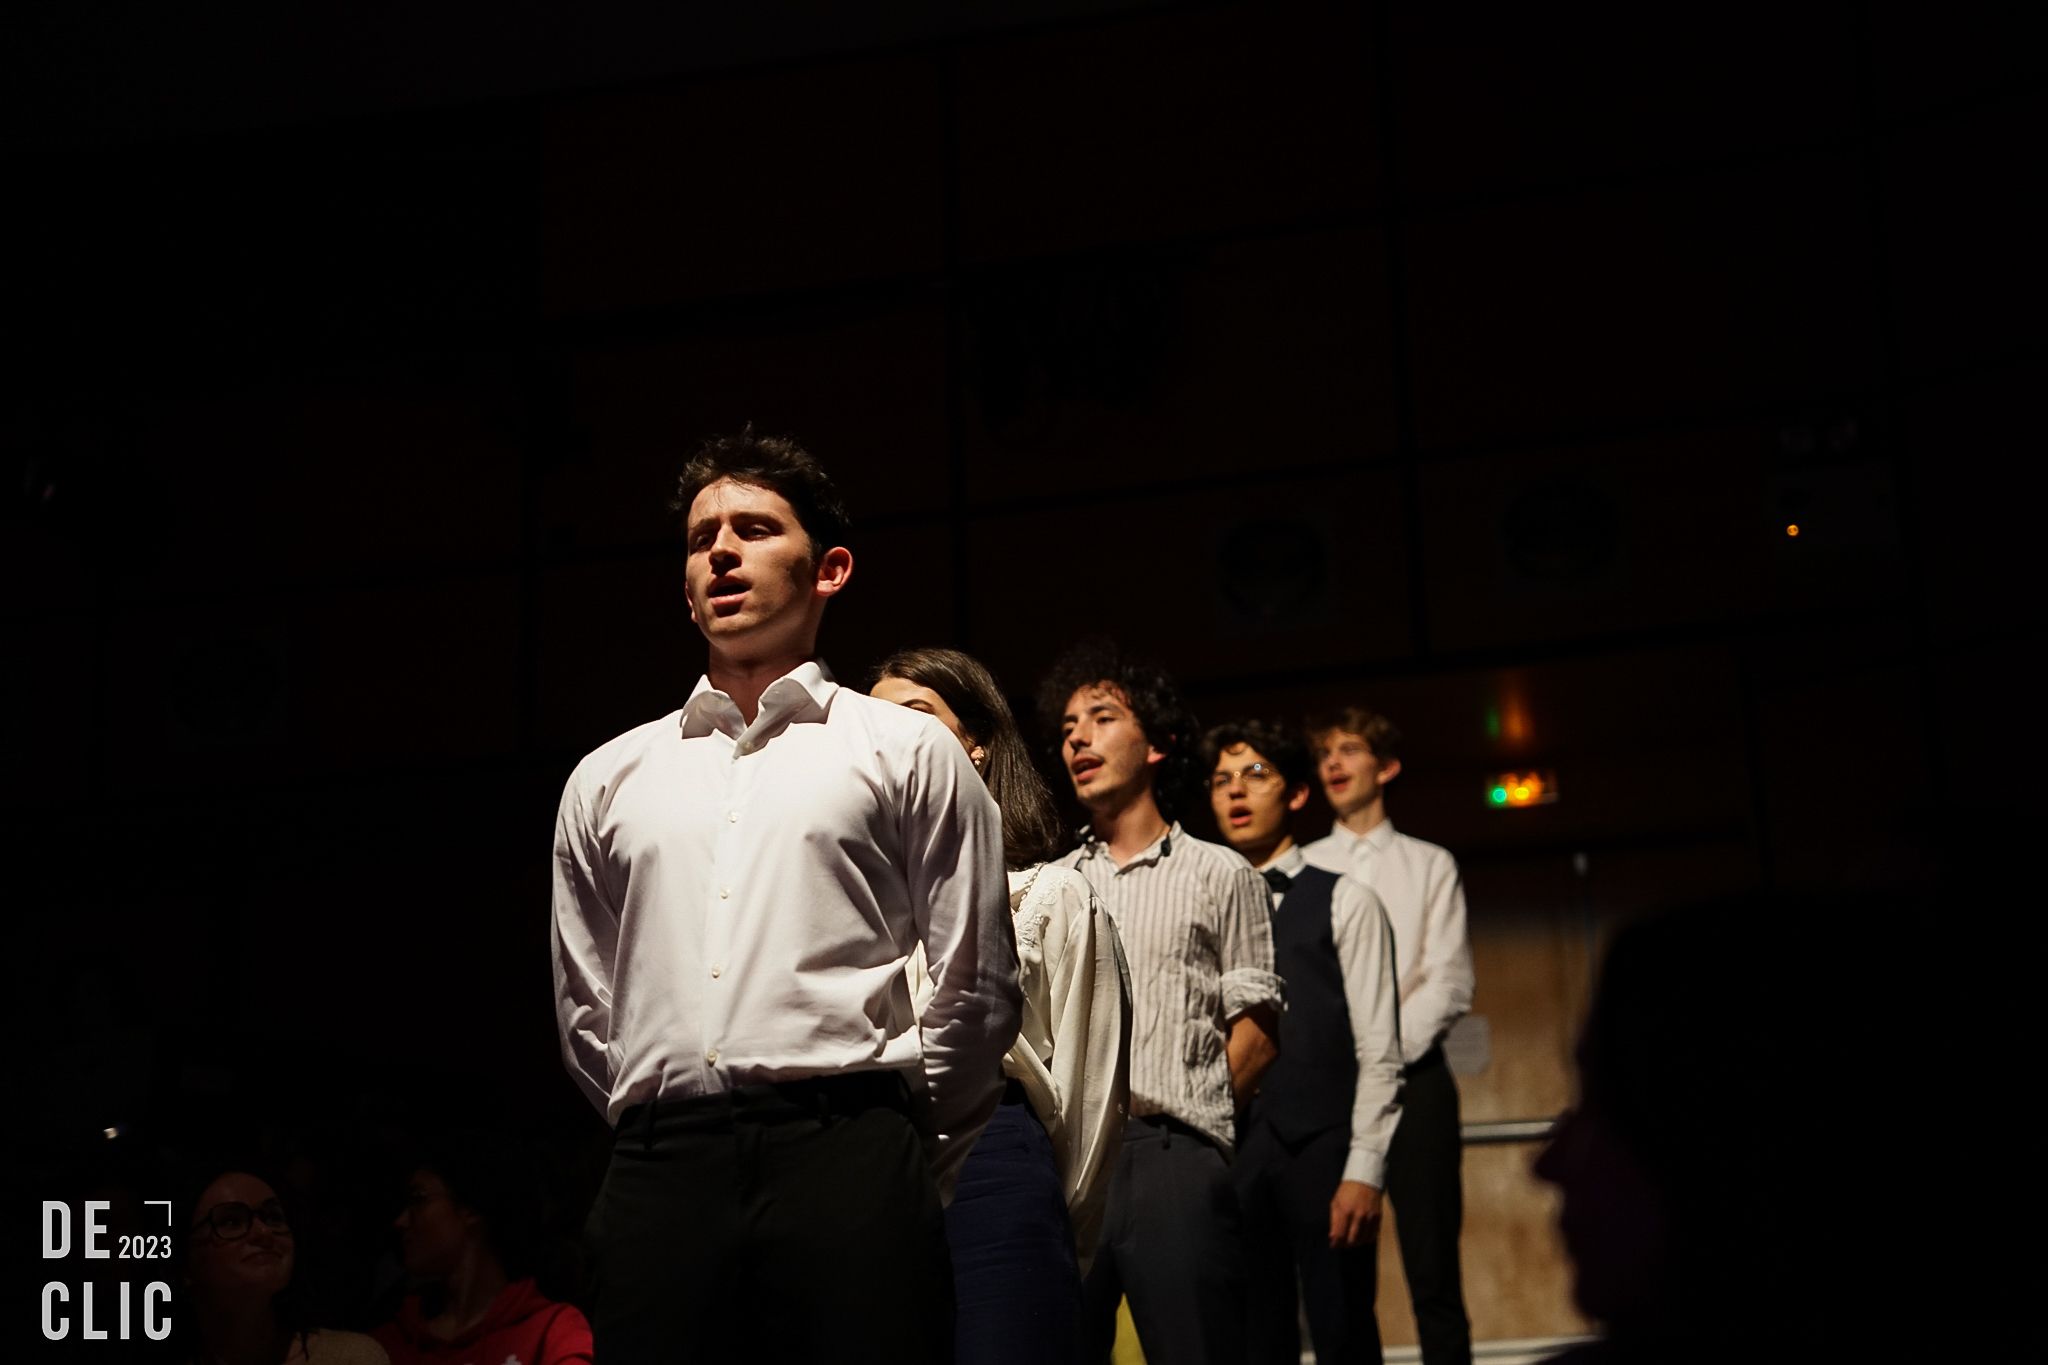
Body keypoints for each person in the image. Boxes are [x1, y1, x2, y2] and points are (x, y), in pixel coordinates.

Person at [551, 428, 1022, 1363]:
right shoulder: (607, 776)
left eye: (755, 528)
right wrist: (668, 1117)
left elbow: (975, 984)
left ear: (829, 569)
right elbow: (586, 1005)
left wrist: (887, 1138)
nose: (721, 551)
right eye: (702, 538)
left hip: (848, 1149)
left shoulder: (905, 749)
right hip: (660, 1167)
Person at [871, 646, 1132, 1365]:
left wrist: (1051, 1223)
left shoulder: (1049, 894)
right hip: (871, 1164)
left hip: (998, 1168)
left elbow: (1089, 1097)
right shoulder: (843, 905)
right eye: (873, 723)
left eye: (915, 714)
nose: (889, 737)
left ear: (977, 742)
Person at [1036, 641, 1284, 1365]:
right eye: (1068, 727)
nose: (1077, 738)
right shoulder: (1052, 882)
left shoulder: (1221, 873)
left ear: (1157, 744)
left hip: (1172, 1150)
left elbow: (1257, 1033)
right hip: (1068, 1161)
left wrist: (1191, 1127)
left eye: (1101, 717)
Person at [1204, 719, 1404, 1365]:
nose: (1236, 791)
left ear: (1295, 793)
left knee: (1344, 1330)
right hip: (1232, 1151)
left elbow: (1380, 1047)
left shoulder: (1347, 898)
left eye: (1255, 774)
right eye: (1221, 780)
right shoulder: (1199, 905)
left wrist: (1365, 1169)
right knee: (1253, 1338)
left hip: (1323, 1148)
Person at [1303, 706, 1475, 1365]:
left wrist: (1382, 1056)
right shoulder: (1305, 865)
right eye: (1325, 752)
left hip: (1418, 1080)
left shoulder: (1429, 863)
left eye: (1349, 749)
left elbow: (1448, 981)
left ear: (1387, 766)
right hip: (1331, 1090)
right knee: (1342, 1283)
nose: (1333, 763)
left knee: (1435, 1276)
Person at [372, 1132, 592, 1365]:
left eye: (419, 1199)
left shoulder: (550, 1332)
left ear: (470, 1207)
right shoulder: (383, 1346)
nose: (401, 1221)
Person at [182, 1168, 389, 1365]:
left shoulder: (351, 1358)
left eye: (273, 1218)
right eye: (231, 1222)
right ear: (185, 1260)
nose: (264, 1232)